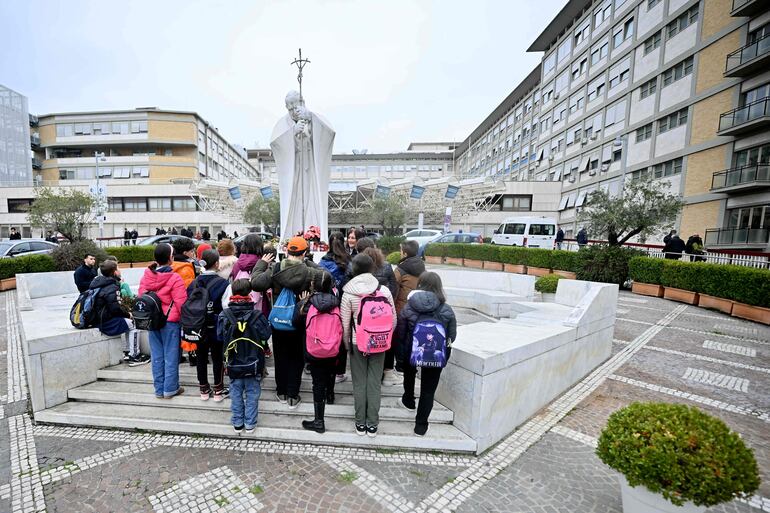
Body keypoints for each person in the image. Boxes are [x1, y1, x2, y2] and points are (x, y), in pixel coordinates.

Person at [251, 236, 318, 409]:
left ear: (287, 251)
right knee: (297, 356)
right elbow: (328, 278)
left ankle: (281, 391)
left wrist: (261, 264)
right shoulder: (309, 271)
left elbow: (256, 283)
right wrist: (309, 263)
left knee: (280, 355)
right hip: (299, 319)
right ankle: (292, 395)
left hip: (278, 319)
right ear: (304, 253)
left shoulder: (276, 269)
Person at [340, 254, 397, 437]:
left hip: (358, 343)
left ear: (353, 270)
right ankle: (372, 424)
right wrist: (383, 337)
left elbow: (345, 323)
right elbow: (393, 320)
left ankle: (360, 423)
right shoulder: (384, 291)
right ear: (373, 268)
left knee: (359, 383)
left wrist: (348, 345)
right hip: (379, 343)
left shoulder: (348, 293)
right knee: (374, 382)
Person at [270, 89, 335, 243]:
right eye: (289, 109)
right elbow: (276, 143)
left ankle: (314, 234)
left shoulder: (313, 118)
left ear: (303, 103)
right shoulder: (282, 123)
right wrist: (292, 132)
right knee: (296, 199)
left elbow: (329, 133)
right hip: (295, 171)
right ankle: (293, 237)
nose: (293, 112)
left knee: (312, 199)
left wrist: (310, 119)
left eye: (295, 107)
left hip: (311, 170)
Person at [396, 271, 456, 436]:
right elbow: (452, 336)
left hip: (412, 351)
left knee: (409, 374)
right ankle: (420, 426)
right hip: (436, 354)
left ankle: (408, 400)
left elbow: (400, 334)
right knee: (428, 390)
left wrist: (400, 356)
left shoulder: (409, 307)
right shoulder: (447, 309)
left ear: (420, 284)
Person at [219, 278, 269, 434]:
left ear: (233, 292)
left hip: (233, 361)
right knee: (253, 392)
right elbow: (266, 334)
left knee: (235, 392)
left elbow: (220, 336)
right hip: (254, 362)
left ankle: (238, 422)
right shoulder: (257, 314)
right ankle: (250, 424)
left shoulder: (225, 314)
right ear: (249, 293)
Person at [138, 243, 188, 399]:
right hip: (170, 322)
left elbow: (141, 296)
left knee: (157, 356)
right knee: (171, 356)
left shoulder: (146, 276)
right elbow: (181, 303)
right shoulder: (174, 278)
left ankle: (159, 389)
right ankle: (170, 389)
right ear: (170, 258)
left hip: (152, 322)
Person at [294, 270, 340, 433]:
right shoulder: (337, 302)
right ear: (330, 285)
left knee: (317, 383)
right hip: (333, 348)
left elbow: (295, 322)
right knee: (330, 373)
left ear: (313, 285)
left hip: (314, 350)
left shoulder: (306, 303)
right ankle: (331, 394)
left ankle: (319, 421)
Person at [188, 249, 229, 402]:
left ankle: (204, 389)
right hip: (216, 325)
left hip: (198, 325)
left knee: (201, 356)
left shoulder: (194, 283)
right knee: (217, 357)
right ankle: (218, 390)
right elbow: (226, 306)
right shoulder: (223, 283)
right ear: (217, 263)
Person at [91, 259, 147, 366]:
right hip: (106, 322)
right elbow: (115, 308)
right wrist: (128, 314)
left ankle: (127, 352)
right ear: (114, 272)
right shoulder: (111, 286)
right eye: (118, 268)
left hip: (100, 319)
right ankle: (134, 356)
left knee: (127, 323)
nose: (120, 270)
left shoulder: (100, 283)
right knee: (134, 324)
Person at [359, 245, 401, 386]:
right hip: (384, 310)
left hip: (365, 314)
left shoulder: (359, 270)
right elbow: (394, 288)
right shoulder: (387, 267)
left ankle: (367, 376)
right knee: (385, 339)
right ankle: (386, 373)